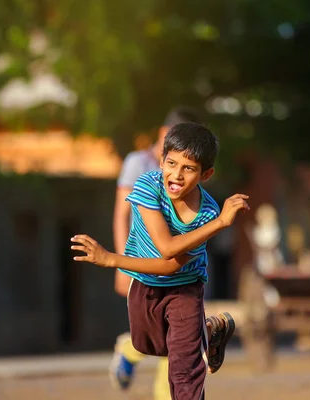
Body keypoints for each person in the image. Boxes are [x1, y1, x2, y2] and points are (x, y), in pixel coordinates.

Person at [71, 122, 250, 399]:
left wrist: (110, 260)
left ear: (206, 174)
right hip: (145, 284)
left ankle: (196, 337)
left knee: (183, 368)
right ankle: (210, 329)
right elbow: (165, 247)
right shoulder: (147, 186)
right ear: (161, 160)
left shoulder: (208, 214)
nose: (176, 175)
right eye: (171, 163)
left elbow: (170, 260)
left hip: (185, 287)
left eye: (188, 168)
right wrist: (219, 223)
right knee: (148, 345)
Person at [111, 107, 200, 398]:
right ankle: (129, 351)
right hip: (146, 262)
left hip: (178, 264)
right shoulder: (139, 163)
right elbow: (122, 213)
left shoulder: (187, 167)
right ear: (164, 134)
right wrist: (123, 266)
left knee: (180, 342)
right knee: (158, 336)